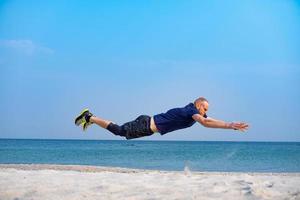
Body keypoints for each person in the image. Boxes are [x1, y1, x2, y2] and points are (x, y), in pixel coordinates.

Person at [74, 97, 249, 139]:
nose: (205, 112)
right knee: (120, 131)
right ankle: (90, 117)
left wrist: (229, 125)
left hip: (147, 125)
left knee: (121, 132)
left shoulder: (192, 111)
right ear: (198, 104)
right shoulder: (191, 112)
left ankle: (91, 119)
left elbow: (209, 120)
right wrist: (229, 125)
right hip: (146, 125)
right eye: (205, 108)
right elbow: (205, 122)